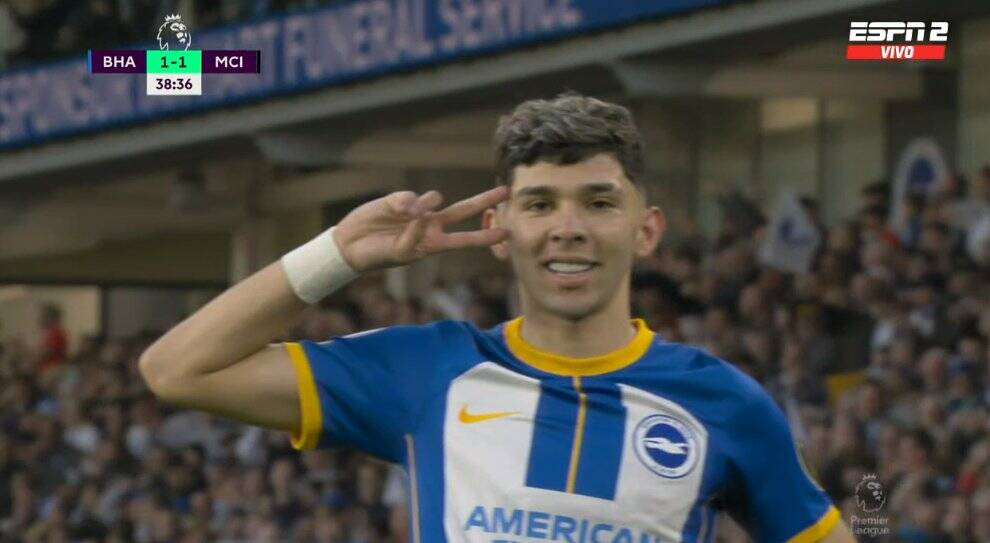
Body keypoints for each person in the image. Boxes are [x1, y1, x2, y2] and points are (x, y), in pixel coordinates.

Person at [139, 93, 855, 542]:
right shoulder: (428, 370)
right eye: (540, 203)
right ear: (500, 226)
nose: (567, 228)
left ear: (646, 229)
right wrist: (340, 254)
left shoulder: (722, 402)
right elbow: (177, 368)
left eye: (599, 202)